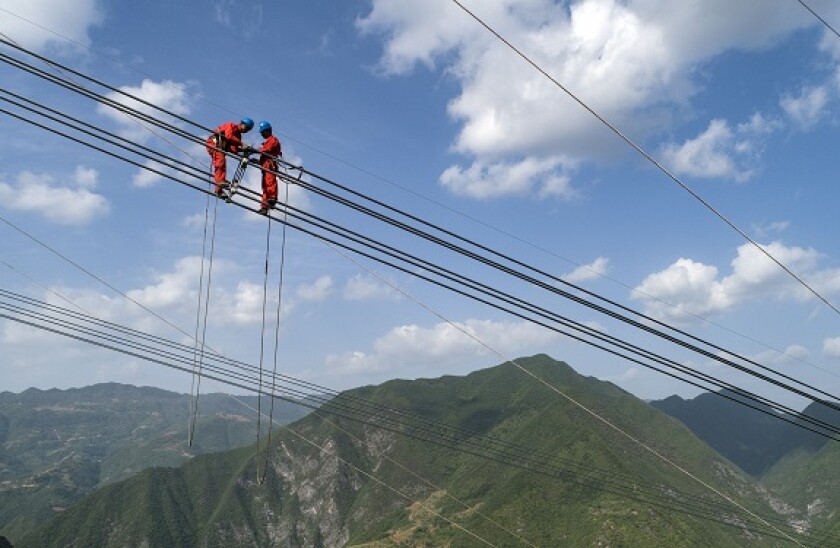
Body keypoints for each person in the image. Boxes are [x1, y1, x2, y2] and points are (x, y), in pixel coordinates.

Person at [206, 117, 254, 197]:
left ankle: (219, 190)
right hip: (214, 143)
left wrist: (244, 149)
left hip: (220, 147)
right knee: (220, 162)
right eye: (246, 127)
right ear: (242, 124)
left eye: (248, 130)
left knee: (221, 166)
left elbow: (233, 149)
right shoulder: (231, 125)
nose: (246, 131)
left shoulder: (238, 136)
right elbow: (228, 136)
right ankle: (220, 182)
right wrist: (242, 144)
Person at [256, 120, 282, 215]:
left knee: (270, 183)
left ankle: (272, 198)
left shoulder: (273, 140)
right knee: (265, 187)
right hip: (265, 166)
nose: (262, 134)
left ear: (268, 130)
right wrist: (257, 161)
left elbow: (267, 150)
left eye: (263, 132)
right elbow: (265, 154)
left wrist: (254, 150)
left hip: (270, 166)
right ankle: (264, 207)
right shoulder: (267, 141)